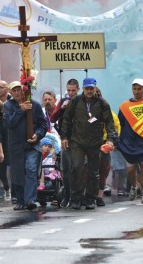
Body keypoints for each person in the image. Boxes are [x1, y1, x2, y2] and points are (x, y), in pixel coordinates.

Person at [60, 77, 118, 210]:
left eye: (92, 88)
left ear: (95, 88)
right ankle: (76, 198)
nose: (89, 91)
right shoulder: (75, 101)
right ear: (83, 89)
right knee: (76, 168)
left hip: (95, 143)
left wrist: (110, 140)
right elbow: (67, 120)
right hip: (77, 142)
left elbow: (110, 123)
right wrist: (64, 137)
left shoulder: (102, 103)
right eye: (87, 88)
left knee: (94, 171)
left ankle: (91, 199)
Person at [4, 81, 47, 211]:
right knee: (17, 173)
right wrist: (20, 110)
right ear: (10, 92)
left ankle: (30, 200)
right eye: (14, 90)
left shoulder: (35, 105)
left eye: (19, 90)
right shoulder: (8, 106)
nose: (17, 92)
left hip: (32, 146)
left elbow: (43, 125)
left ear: (24, 91)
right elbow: (8, 123)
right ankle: (21, 200)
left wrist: (37, 135)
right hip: (16, 146)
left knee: (31, 170)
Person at [50, 79, 80, 207]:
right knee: (66, 169)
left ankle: (78, 197)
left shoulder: (82, 101)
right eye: (69, 90)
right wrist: (62, 108)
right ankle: (67, 197)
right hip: (66, 140)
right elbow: (53, 118)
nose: (71, 93)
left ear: (78, 90)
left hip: (80, 141)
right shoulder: (63, 101)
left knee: (78, 169)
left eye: (73, 90)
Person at [95, 87, 121, 206]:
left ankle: (99, 196)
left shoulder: (110, 113)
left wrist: (111, 143)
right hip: (88, 144)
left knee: (103, 170)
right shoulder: (84, 111)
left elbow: (115, 129)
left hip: (104, 144)